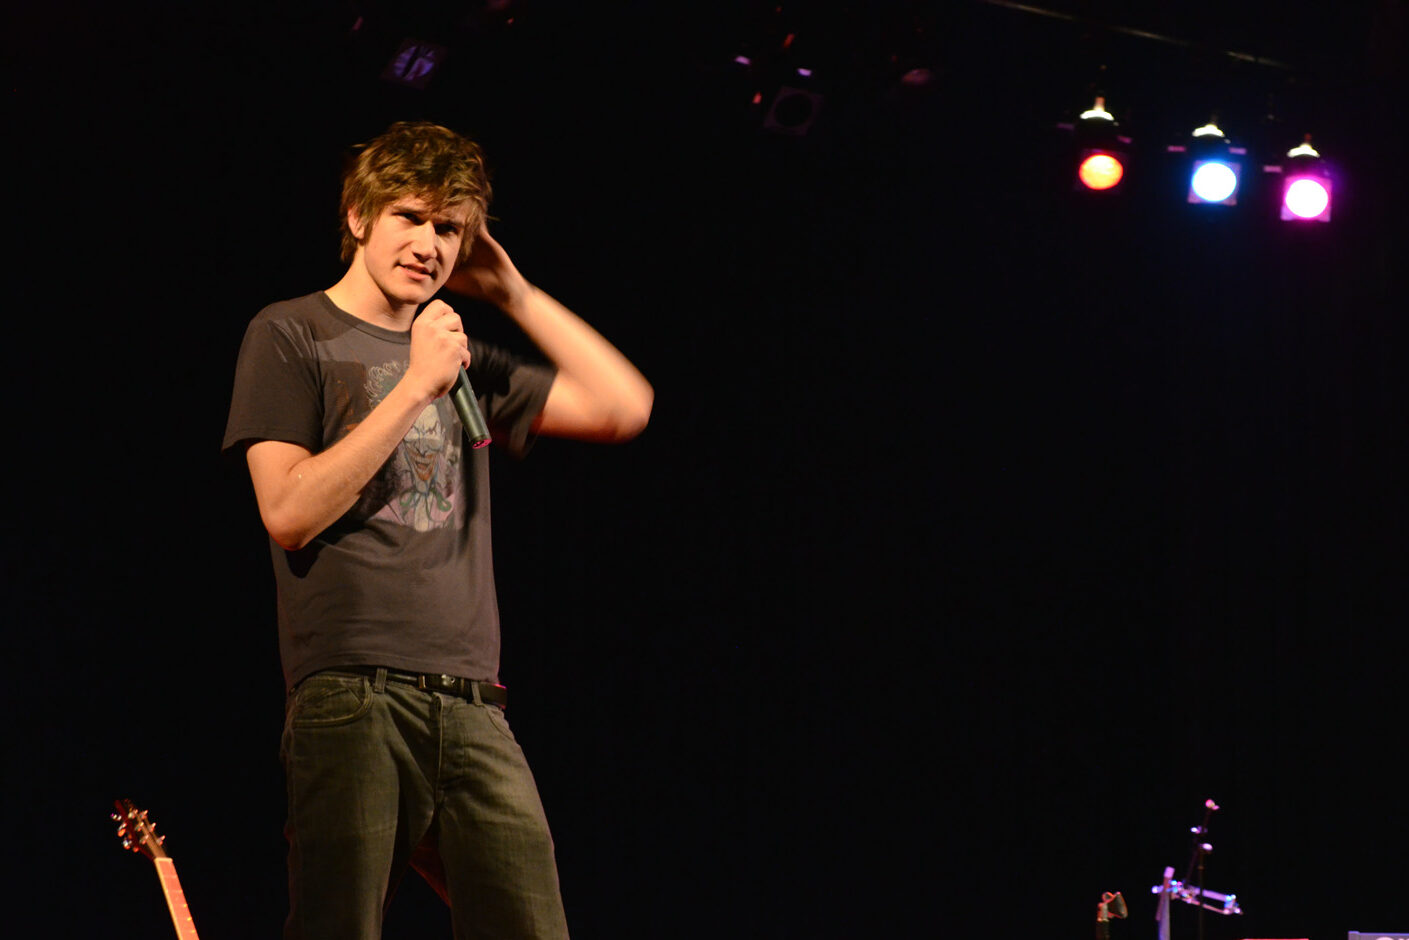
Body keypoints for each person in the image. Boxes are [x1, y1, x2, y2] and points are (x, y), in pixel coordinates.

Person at [222, 120, 652, 939]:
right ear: (358, 216)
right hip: (353, 694)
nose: (428, 244)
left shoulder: (458, 359)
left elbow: (622, 406)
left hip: (474, 704)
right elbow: (288, 513)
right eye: (409, 217)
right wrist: (416, 386)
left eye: (448, 228)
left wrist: (514, 294)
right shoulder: (291, 332)